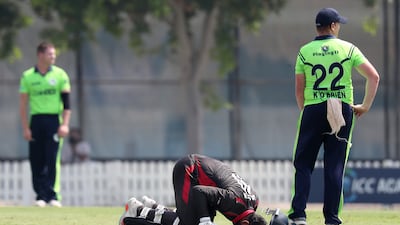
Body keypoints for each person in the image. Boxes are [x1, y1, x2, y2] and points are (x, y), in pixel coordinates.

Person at [288, 8, 380, 225]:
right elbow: (373, 76)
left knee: (303, 164)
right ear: (333, 26)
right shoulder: (348, 49)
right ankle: (331, 218)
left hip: (313, 108)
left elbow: (299, 91)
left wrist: (308, 112)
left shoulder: (304, 51)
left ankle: (299, 215)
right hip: (342, 108)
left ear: (317, 27)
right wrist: (364, 106)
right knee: (335, 165)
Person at [119, 154, 270, 225]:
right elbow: (199, 191)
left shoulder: (253, 201)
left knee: (193, 218)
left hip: (201, 175)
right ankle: (137, 210)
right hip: (190, 170)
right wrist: (204, 221)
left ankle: (152, 207)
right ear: (245, 224)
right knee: (190, 224)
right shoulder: (234, 203)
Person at [19, 41, 71, 207]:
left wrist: (65, 124)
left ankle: (52, 195)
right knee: (36, 159)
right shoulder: (28, 76)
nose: (53, 57)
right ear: (40, 55)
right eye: (50, 54)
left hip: (53, 121)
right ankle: (40, 195)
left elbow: (67, 104)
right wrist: (26, 127)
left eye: (54, 54)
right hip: (36, 120)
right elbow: (23, 105)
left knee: (51, 158)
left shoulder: (60, 75)